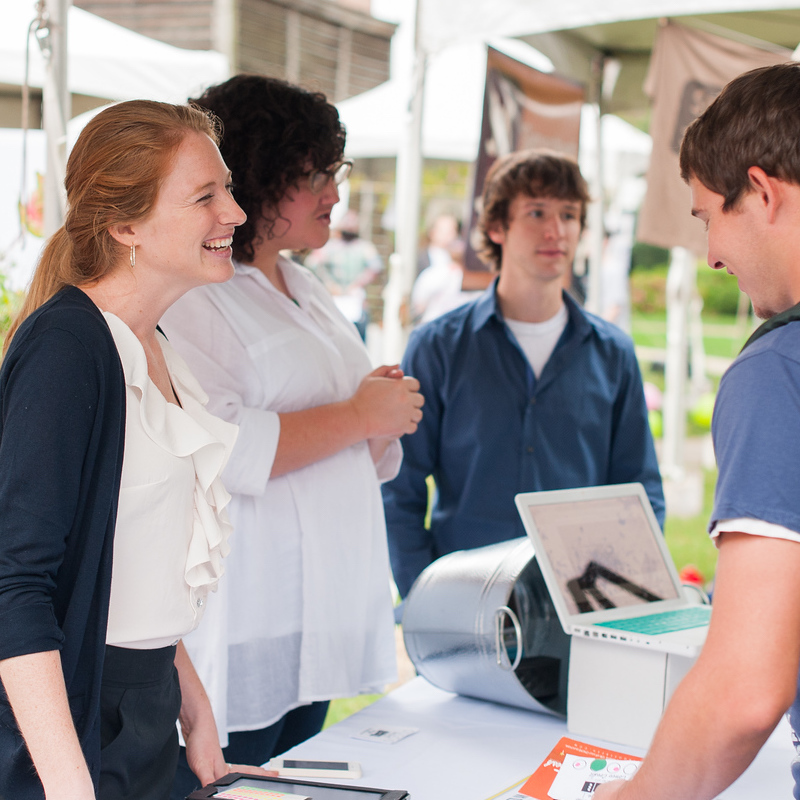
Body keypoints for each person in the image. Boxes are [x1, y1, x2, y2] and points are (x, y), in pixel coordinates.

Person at [0, 100, 273, 799]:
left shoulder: (155, 347)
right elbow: (14, 587)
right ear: (126, 226)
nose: (236, 214)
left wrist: (193, 702)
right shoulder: (66, 351)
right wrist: (70, 785)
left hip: (144, 714)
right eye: (206, 196)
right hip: (68, 731)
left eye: (229, 190)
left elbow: (132, 567)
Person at [161, 75, 424, 798]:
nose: (333, 193)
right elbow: (223, 448)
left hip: (325, 610)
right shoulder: (197, 298)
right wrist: (358, 416)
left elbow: (353, 443)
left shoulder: (306, 288)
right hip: (253, 613)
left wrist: (377, 407)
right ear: (259, 176)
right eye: (315, 175)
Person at [596, 62, 800, 800]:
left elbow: (744, 693)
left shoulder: (777, 369)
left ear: (765, 192)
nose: (711, 253)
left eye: (710, 214)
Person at [382, 149, 664, 598]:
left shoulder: (613, 353)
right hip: (463, 597)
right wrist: (422, 595)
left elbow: (638, 489)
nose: (556, 230)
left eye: (569, 215)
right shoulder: (438, 346)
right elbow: (400, 486)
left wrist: (620, 595)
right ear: (497, 227)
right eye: (536, 212)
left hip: (580, 603)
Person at [304, 208, 383, 340]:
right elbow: (312, 264)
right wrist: (330, 285)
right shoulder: (330, 247)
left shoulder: (363, 247)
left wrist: (357, 284)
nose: (349, 225)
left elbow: (376, 267)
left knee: (358, 337)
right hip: (333, 298)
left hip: (355, 299)